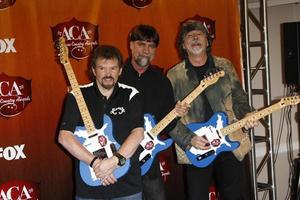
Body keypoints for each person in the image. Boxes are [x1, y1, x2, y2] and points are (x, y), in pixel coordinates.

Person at [167, 19, 258, 200]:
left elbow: (240, 99)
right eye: (189, 36)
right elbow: (169, 117)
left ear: (207, 41)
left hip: (229, 141)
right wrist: (188, 139)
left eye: (199, 34)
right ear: (183, 45)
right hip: (197, 146)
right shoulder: (173, 75)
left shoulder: (225, 66)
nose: (195, 38)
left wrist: (247, 114)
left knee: (234, 195)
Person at [58, 45, 145, 200]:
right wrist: (96, 163)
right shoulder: (76, 96)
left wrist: (114, 161)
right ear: (93, 70)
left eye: (113, 68)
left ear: (120, 70)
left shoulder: (131, 94)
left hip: (127, 186)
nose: (108, 74)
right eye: (102, 68)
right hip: (90, 184)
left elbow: (138, 134)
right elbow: (64, 137)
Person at [119, 24, 188, 200]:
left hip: (149, 160)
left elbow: (169, 124)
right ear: (131, 44)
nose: (146, 50)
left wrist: (176, 114)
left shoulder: (162, 81)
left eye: (151, 46)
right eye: (141, 44)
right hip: (117, 155)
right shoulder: (115, 75)